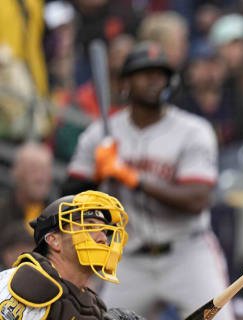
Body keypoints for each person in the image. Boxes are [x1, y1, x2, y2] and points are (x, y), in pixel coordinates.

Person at [62, 42, 231, 320]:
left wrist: (130, 176)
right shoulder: (99, 134)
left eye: (160, 73)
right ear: (126, 81)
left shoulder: (193, 131)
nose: (154, 80)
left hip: (187, 252)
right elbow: (67, 198)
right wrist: (96, 177)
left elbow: (197, 199)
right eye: (145, 72)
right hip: (129, 257)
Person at [0, 190, 138, 320]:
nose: (102, 238)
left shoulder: (94, 307)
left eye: (104, 231)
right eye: (89, 227)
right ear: (54, 240)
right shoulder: (27, 283)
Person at [0, 142, 54, 232]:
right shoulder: (3, 215)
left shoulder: (59, 218)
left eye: (45, 170)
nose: (40, 178)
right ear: (17, 173)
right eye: (34, 170)